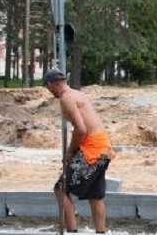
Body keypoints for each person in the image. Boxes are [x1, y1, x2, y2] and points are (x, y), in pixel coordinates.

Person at [45, 68, 115, 233]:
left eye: (48, 88)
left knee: (61, 189)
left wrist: (69, 152)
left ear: (51, 85)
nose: (49, 91)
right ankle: (100, 232)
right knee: (95, 195)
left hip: (92, 149)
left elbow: (81, 130)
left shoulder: (66, 98)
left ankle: (71, 231)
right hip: (103, 146)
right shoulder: (78, 94)